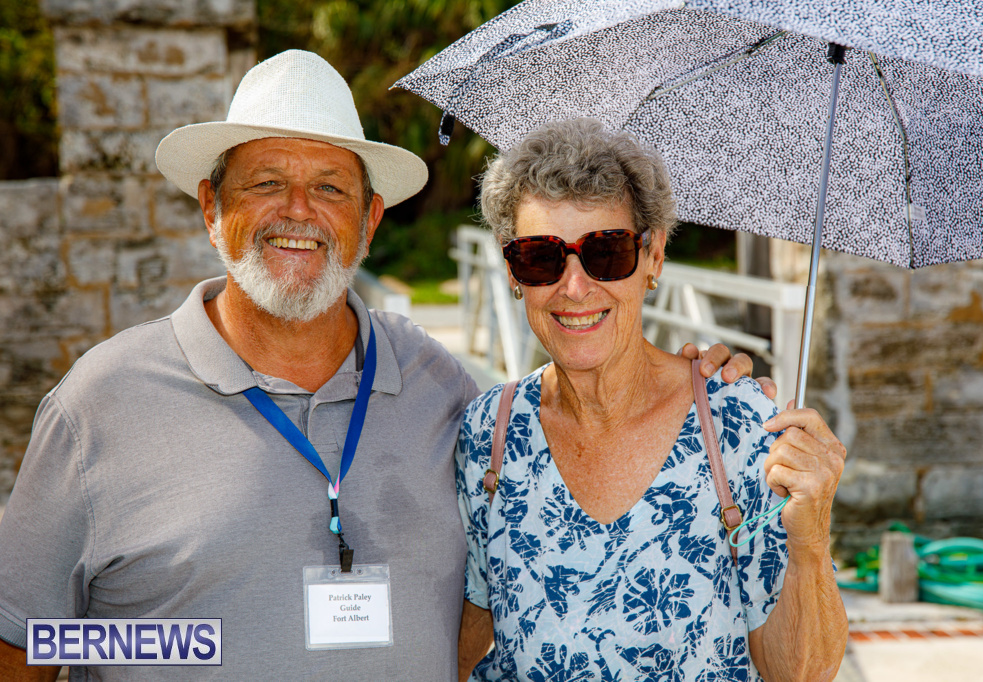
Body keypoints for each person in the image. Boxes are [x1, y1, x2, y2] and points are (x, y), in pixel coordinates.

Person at [0, 53, 765, 681]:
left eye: (330, 188)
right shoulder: (100, 405)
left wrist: (699, 378)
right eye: (265, 182)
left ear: (368, 220)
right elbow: (28, 644)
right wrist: (180, 643)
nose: (297, 210)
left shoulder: (444, 391)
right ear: (211, 207)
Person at [456, 119, 848, 681]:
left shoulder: (739, 426)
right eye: (541, 257)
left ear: (654, 256)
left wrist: (811, 534)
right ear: (514, 270)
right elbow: (467, 630)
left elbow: (803, 673)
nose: (573, 287)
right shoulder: (488, 432)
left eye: (606, 252)